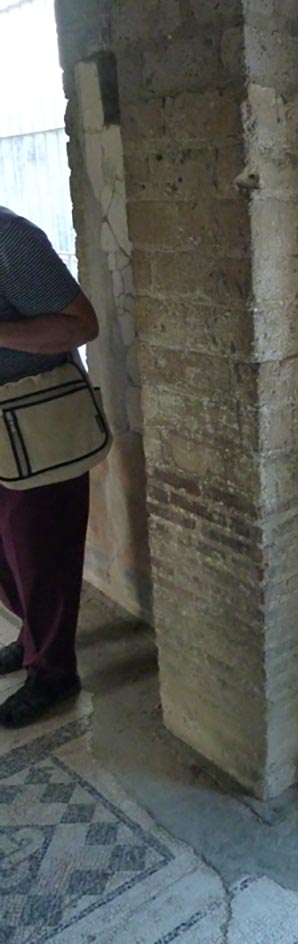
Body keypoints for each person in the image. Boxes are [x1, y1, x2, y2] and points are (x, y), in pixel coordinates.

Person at [0, 206, 99, 728]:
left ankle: (54, 671)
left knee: (42, 554)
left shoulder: (8, 238)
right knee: (8, 557)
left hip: (36, 426)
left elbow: (82, 325)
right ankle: (33, 639)